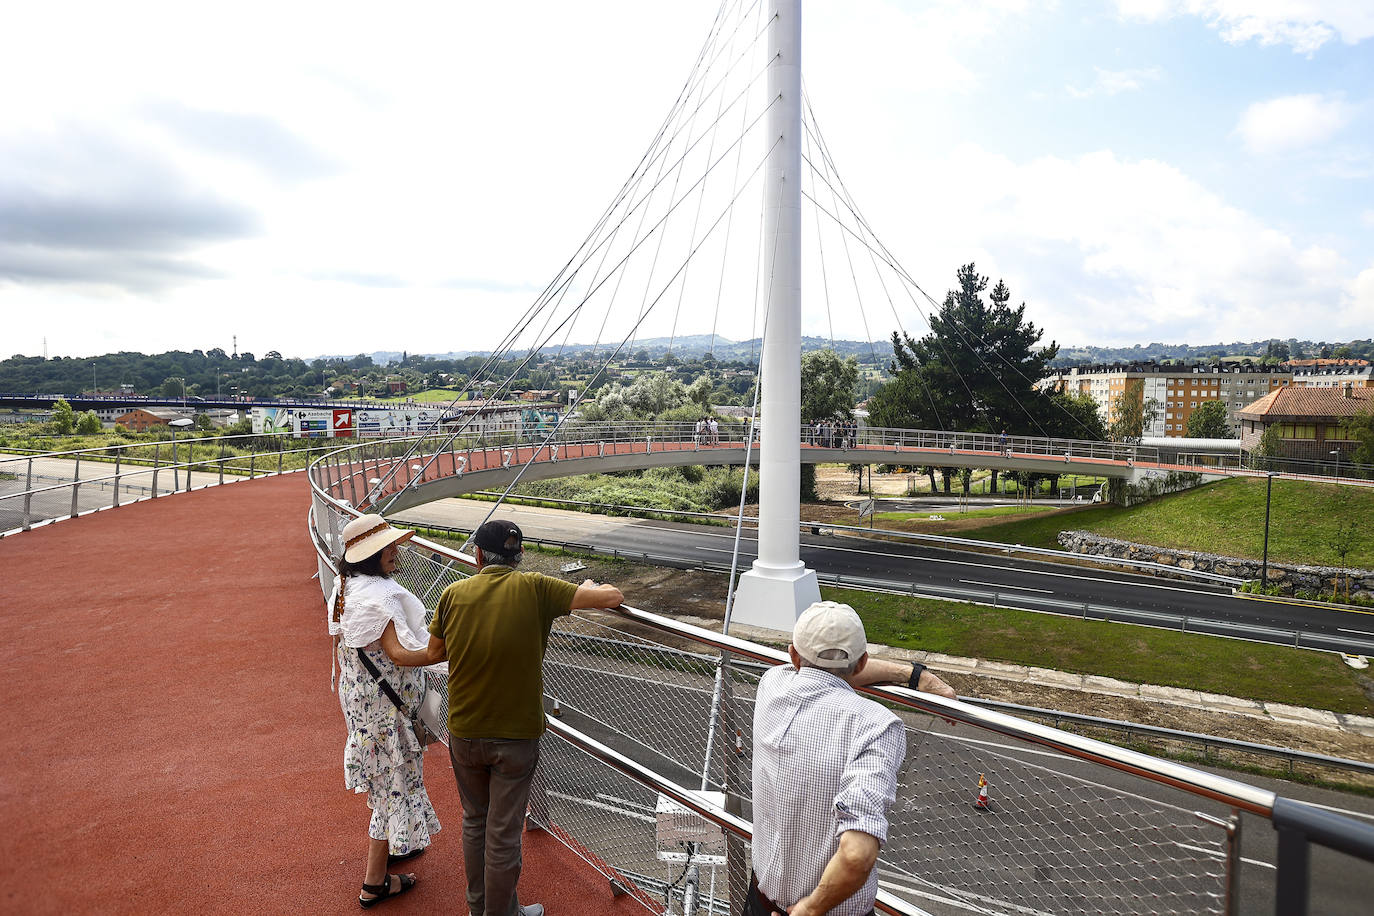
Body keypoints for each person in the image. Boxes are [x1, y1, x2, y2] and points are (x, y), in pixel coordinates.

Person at [407, 519, 624, 916]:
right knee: (504, 833)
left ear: (477, 555)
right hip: (516, 735)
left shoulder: (453, 594)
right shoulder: (537, 588)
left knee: (475, 822)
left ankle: (479, 909)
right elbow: (614, 596)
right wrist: (588, 590)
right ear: (519, 556)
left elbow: (436, 652)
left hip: (465, 729)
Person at [750, 601, 956, 916]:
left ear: (793, 655)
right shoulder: (876, 725)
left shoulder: (772, 684)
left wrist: (913, 675)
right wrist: (914, 675)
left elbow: (822, 676)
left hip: (760, 900)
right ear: (862, 663)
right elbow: (858, 856)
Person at [328, 513, 441, 908]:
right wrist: (448, 649)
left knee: (382, 780)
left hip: (363, 704)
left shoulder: (347, 587)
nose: (395, 552)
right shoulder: (380, 598)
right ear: (368, 556)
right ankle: (374, 883)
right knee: (391, 788)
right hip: (386, 716)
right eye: (386, 548)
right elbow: (399, 654)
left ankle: (398, 844)